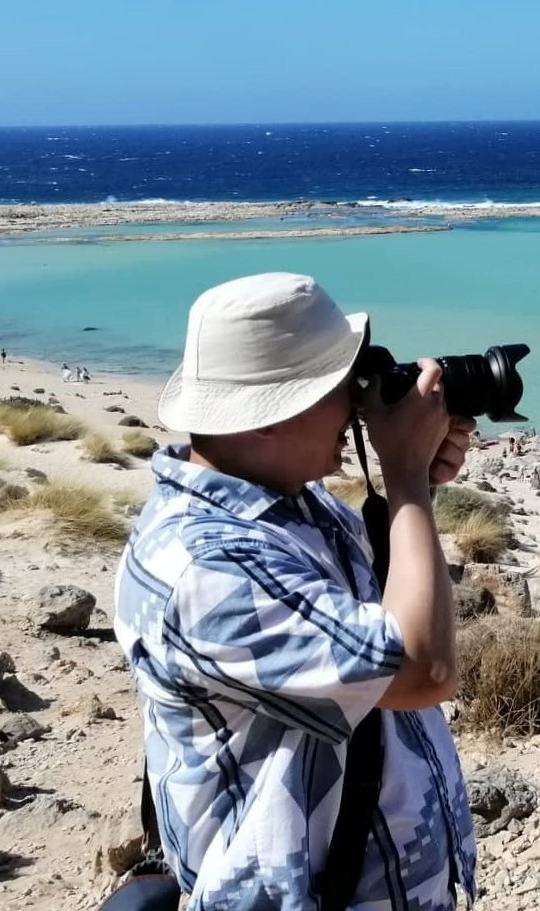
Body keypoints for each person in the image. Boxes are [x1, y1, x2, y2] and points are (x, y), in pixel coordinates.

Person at [114, 272, 476, 908]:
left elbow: (384, 602)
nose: (358, 404)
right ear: (266, 419)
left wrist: (407, 494)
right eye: (339, 386)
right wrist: (409, 481)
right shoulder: (208, 567)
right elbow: (421, 668)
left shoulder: (292, 508)